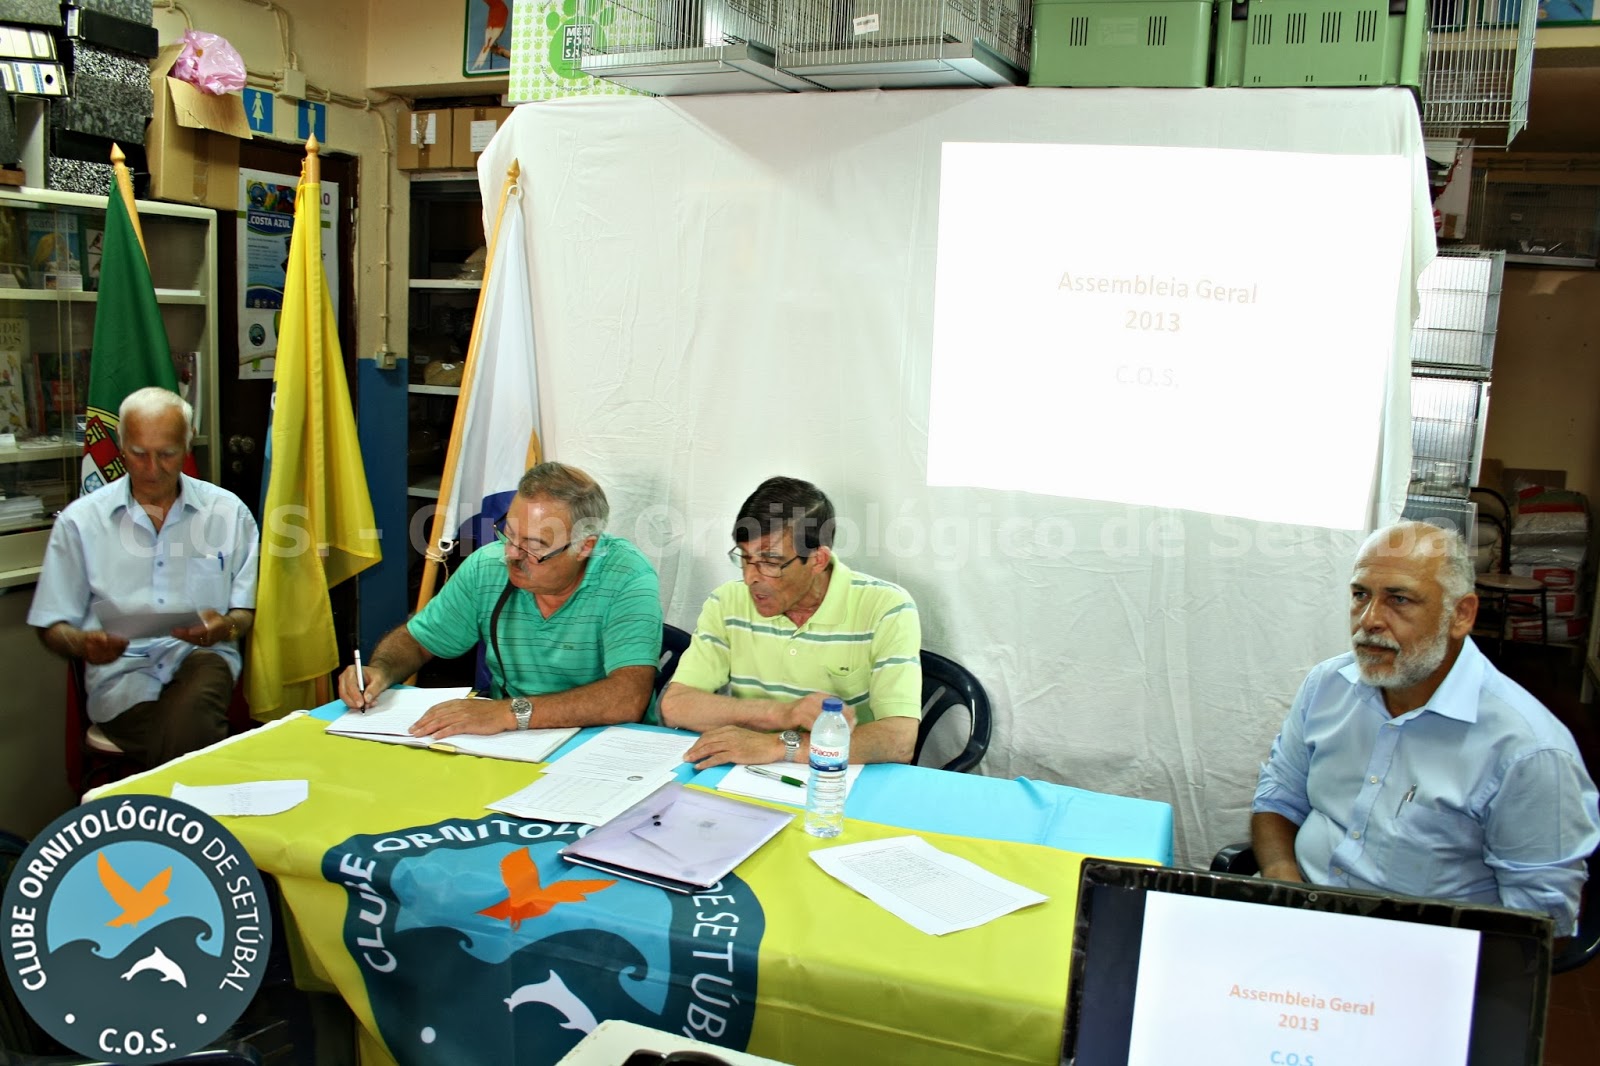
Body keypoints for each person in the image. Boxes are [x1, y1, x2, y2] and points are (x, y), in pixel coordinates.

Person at [1252, 520, 1600, 933]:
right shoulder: (1328, 686)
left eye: (1398, 599)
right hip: (1297, 910)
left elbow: (1541, 925)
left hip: (1419, 946)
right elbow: (1279, 796)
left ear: (1461, 615)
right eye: (1360, 595)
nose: (1369, 620)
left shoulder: (1529, 752)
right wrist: (1284, 883)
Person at [339, 462, 661, 739]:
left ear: (585, 547)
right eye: (509, 534)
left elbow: (627, 697)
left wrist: (509, 713)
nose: (511, 554)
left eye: (534, 545)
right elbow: (417, 641)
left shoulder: (626, 577)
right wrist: (380, 671)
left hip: (604, 744)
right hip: (512, 742)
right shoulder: (488, 566)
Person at [30, 386, 259, 769]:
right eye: (138, 454)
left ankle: (159, 804)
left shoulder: (227, 512)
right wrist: (84, 644)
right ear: (121, 446)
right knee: (194, 734)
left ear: (188, 444)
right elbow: (50, 624)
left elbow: (244, 613)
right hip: (122, 679)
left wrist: (225, 628)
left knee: (197, 701)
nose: (152, 469)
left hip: (202, 661)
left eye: (167, 454)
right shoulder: (81, 522)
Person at [661, 476, 922, 769]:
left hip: (840, 778)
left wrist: (780, 746)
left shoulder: (886, 607)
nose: (750, 578)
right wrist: (783, 714)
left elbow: (900, 739)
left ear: (818, 560)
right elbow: (676, 706)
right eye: (745, 558)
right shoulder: (727, 602)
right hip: (747, 773)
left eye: (771, 563)